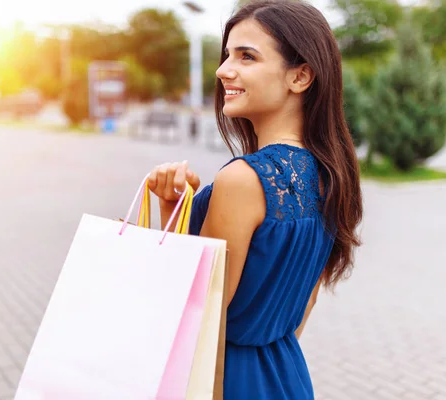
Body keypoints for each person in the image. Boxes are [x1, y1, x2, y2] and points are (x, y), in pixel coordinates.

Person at [147, 0, 363, 398]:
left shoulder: (244, 180)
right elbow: (300, 313)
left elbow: (195, 318)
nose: (223, 70)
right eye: (227, 55)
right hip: (285, 373)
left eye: (247, 56)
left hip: (225, 380)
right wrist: (174, 206)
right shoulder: (332, 175)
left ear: (300, 77)